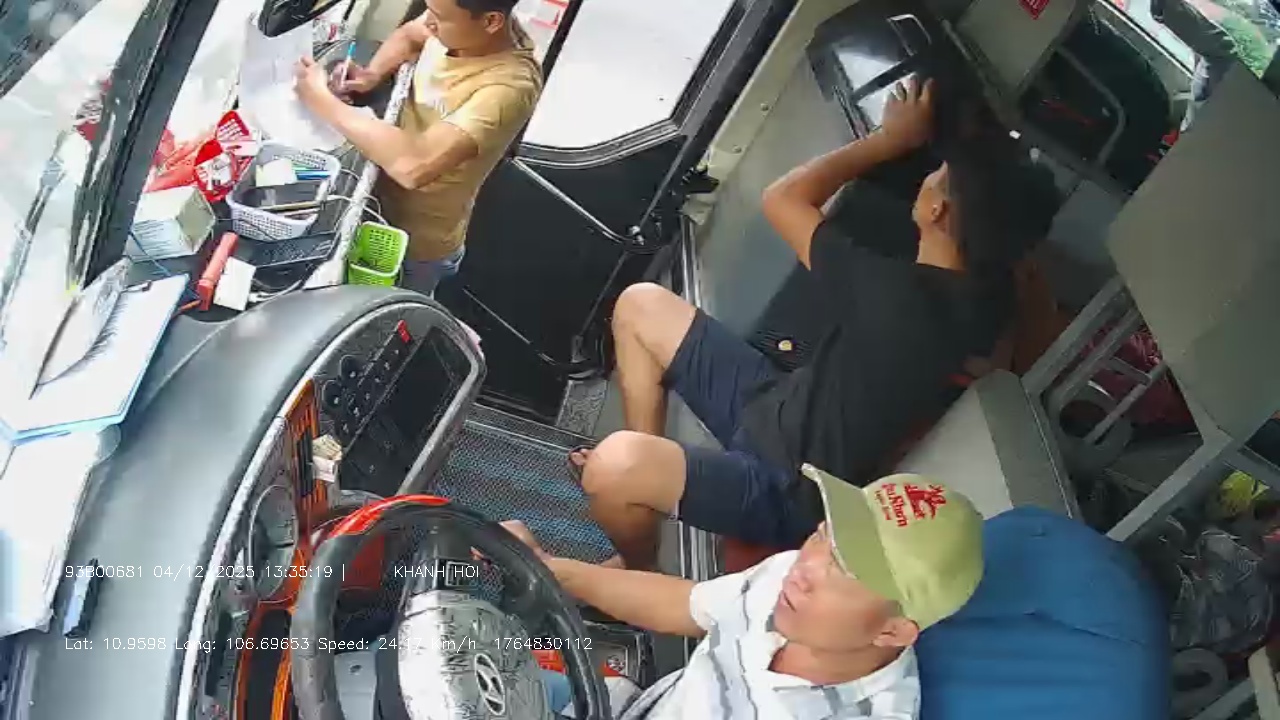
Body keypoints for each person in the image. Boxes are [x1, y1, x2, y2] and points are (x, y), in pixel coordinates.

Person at [569, 78, 1058, 570]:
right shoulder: (992, 296)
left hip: (787, 488)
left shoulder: (894, 292)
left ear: (937, 209)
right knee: (640, 306)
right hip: (778, 406)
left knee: (614, 468)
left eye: (939, 173)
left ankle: (637, 564)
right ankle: (651, 472)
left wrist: (891, 140)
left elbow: (783, 198)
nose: (929, 175)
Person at [507, 467, 986, 719]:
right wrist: (548, 569)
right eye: (823, 534)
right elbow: (687, 605)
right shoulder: (786, 577)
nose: (805, 566)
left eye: (846, 570)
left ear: (893, 631)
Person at [295, 0, 542, 295]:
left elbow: (414, 165)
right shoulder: (456, 22)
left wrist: (321, 100)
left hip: (414, 245)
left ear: (491, 21)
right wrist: (372, 74)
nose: (429, 22)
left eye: (439, 17)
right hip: (376, 203)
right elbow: (411, 35)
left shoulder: (508, 90)